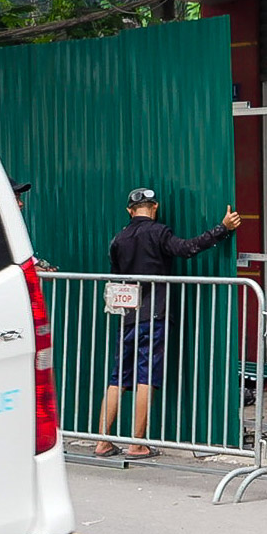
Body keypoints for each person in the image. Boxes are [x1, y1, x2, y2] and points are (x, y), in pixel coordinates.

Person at [95, 187, 240, 459]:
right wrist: (222, 229)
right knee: (145, 377)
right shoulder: (159, 232)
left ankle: (102, 441)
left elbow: (116, 276)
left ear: (129, 210)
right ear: (155, 207)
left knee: (117, 379)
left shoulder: (119, 239)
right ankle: (137, 444)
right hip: (154, 314)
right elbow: (187, 249)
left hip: (127, 315)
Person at [12, 180, 57, 272]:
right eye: (15, 199)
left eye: (19, 199)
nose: (21, 204)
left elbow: (25, 259)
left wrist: (40, 268)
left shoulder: (13, 231)